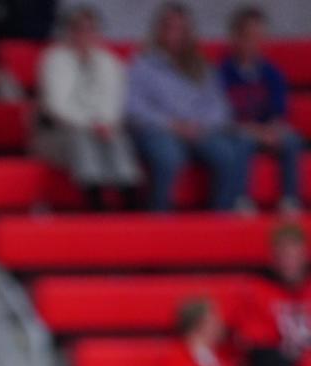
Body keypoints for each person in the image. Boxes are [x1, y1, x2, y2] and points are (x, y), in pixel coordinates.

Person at [127, 3, 251, 213]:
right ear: (158, 30)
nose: (174, 35)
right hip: (160, 130)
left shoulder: (202, 65)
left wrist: (199, 126)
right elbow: (133, 107)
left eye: (180, 29)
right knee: (168, 155)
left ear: (189, 32)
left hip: (199, 131)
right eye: (169, 28)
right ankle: (158, 217)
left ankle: (219, 221)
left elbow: (220, 107)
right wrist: (171, 124)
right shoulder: (142, 64)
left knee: (226, 154)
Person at [36, 5, 141, 210]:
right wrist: (92, 124)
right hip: (61, 130)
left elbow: (114, 101)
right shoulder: (53, 59)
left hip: (103, 127)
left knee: (117, 138)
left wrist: (104, 123)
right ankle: (95, 203)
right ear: (68, 31)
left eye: (90, 29)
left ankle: (129, 199)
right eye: (78, 29)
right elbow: (57, 105)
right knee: (82, 140)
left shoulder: (110, 62)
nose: (84, 35)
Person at [219, 6, 302, 215]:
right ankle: (241, 200)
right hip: (236, 132)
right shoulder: (221, 73)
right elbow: (220, 116)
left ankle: (290, 200)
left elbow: (278, 112)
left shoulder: (272, 74)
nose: (253, 43)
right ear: (235, 38)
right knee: (242, 141)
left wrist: (271, 130)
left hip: (267, 131)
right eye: (248, 36)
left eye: (259, 37)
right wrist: (253, 130)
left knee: (292, 141)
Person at [232, 223, 311, 366]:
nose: (289, 263)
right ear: (274, 259)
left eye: (293, 256)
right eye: (283, 257)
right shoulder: (257, 291)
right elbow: (258, 347)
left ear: (305, 255)